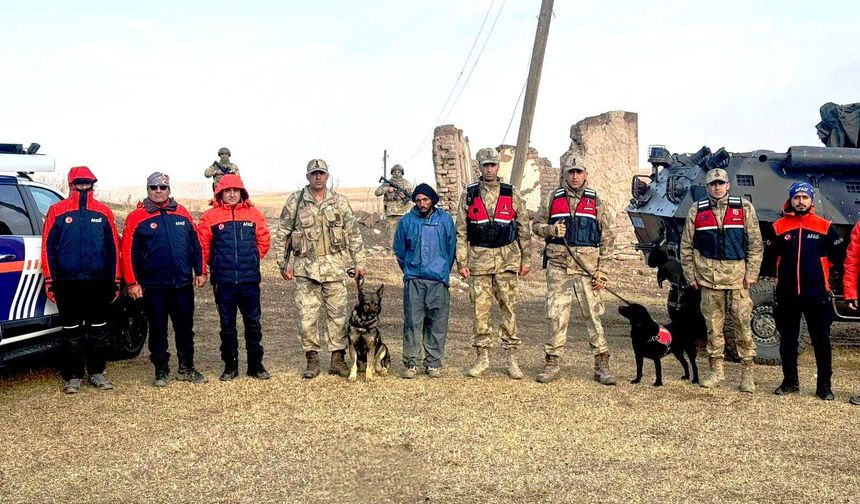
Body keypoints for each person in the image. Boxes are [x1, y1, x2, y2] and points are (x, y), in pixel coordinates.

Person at [272, 159, 366, 379]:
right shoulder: (296, 201)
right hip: (306, 270)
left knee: (339, 317)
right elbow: (282, 233)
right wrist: (283, 264)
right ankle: (312, 359)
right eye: (313, 173)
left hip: (334, 268)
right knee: (307, 317)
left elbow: (353, 233)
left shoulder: (340, 202)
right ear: (307, 177)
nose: (317, 177)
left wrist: (359, 263)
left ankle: (337, 359)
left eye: (321, 173)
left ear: (327, 175)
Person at [531, 158, 617, 385]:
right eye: (571, 172)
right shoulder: (553, 198)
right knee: (556, 315)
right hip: (559, 267)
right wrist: (550, 229)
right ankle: (552, 363)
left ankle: (601, 365)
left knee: (593, 315)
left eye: (579, 172)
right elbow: (536, 226)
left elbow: (608, 236)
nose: (575, 176)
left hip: (587, 270)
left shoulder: (596, 200)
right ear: (565, 175)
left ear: (585, 174)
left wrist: (603, 270)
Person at [680, 167, 763, 392]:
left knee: (743, 326)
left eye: (720, 183)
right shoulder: (697, 210)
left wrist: (751, 274)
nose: (717, 187)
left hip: (738, 279)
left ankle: (747, 374)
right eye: (712, 184)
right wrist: (691, 275)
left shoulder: (744, 207)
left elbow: (755, 244)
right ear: (707, 187)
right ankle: (716, 370)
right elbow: (686, 246)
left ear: (728, 185)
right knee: (713, 328)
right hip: (709, 280)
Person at [121, 172, 207, 387]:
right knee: (158, 328)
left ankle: (187, 367)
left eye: (162, 187)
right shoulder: (136, 217)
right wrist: (132, 282)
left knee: (185, 327)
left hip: (182, 284)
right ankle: (161, 370)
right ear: (147, 189)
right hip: (153, 286)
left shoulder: (183, 213)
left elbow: (196, 245)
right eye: (153, 187)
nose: (158, 191)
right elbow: (128, 252)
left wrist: (200, 271)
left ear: (169, 190)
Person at [41, 166, 121, 394]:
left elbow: (114, 248)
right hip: (67, 282)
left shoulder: (103, 212)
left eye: (88, 182)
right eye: (80, 182)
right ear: (71, 184)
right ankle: (73, 376)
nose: (84, 186)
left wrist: (115, 279)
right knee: (71, 332)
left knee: (98, 329)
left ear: (93, 184)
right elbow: (48, 249)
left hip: (99, 282)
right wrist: (50, 280)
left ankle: (97, 372)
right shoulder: (56, 211)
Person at [456, 147, 531, 379]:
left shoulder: (511, 193)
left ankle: (511, 358)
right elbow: (461, 231)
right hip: (478, 262)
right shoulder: (469, 194)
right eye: (485, 165)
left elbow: (523, 228)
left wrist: (526, 258)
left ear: (498, 166)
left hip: (507, 261)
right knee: (480, 312)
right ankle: (482, 358)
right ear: (479, 167)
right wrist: (462, 261)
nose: (489, 169)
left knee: (508, 310)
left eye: (493, 165)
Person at [197, 174, 271, 381]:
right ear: (220, 193)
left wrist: (253, 256)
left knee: (253, 324)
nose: (231, 194)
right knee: (227, 325)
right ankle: (230, 366)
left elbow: (264, 240)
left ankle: (256, 365)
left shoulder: (254, 214)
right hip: (224, 281)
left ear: (242, 193)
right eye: (227, 191)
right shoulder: (210, 217)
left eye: (235, 191)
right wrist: (215, 264)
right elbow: (203, 247)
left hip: (249, 280)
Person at [769, 182, 840, 400]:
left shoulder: (826, 227)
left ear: (811, 200)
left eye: (805, 197)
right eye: (796, 197)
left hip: (816, 294)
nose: (800, 201)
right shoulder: (777, 227)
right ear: (791, 200)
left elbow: (837, 258)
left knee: (822, 341)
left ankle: (824, 387)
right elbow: (770, 260)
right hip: (787, 295)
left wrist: (823, 277)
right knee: (788, 340)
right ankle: (790, 382)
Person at [393, 183, 456, 378]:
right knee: (412, 322)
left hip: (438, 280)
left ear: (432, 200)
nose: (422, 203)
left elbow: (451, 247)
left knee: (437, 323)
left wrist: (443, 270)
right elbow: (400, 250)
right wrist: (410, 269)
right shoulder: (407, 221)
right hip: (414, 280)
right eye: (418, 200)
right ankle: (412, 362)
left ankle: (433, 362)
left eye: (425, 200)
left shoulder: (445, 220)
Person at [375, 164, 414, 248]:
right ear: (392, 172)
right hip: (391, 212)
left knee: (404, 231)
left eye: (399, 172)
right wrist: (387, 189)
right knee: (391, 232)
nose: (396, 173)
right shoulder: (387, 183)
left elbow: (412, 197)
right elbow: (377, 192)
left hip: (403, 212)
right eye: (394, 172)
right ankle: (391, 249)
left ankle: (405, 248)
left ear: (402, 173)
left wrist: (404, 197)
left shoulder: (406, 183)